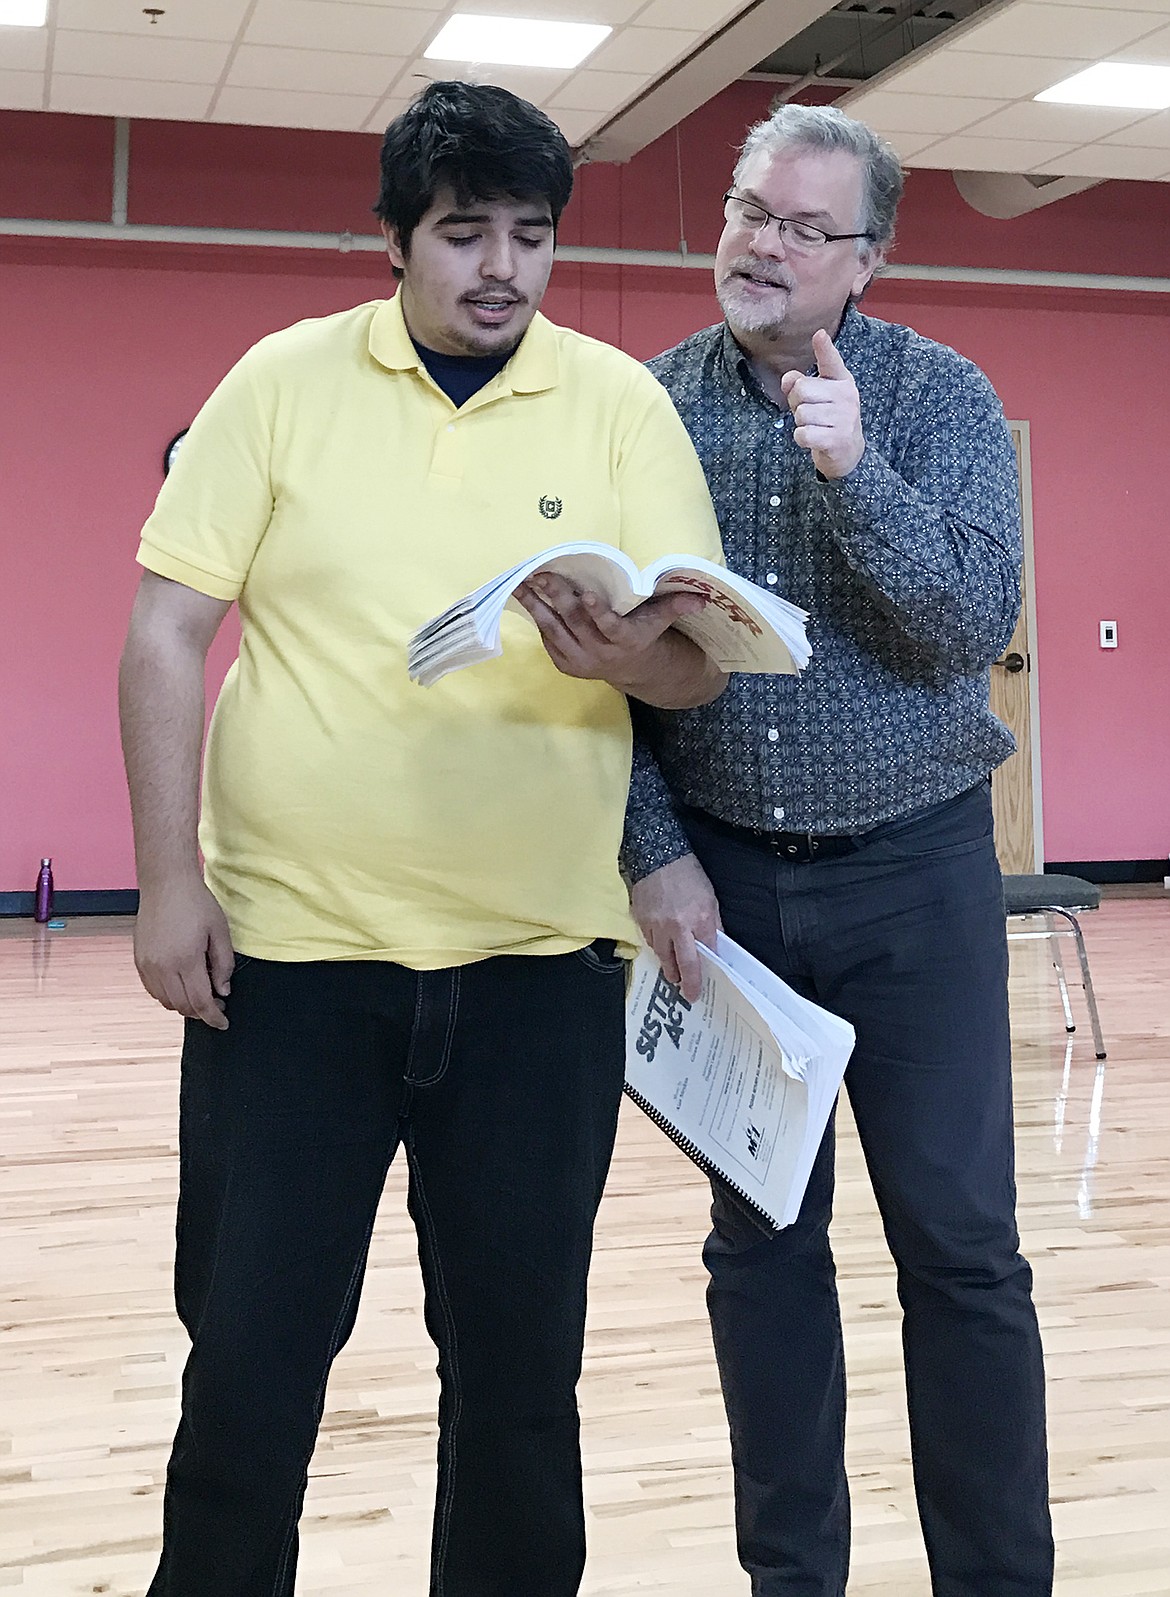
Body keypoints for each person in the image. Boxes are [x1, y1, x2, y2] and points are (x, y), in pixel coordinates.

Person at [119, 80, 727, 1597]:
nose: (500, 268)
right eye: (463, 233)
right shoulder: (281, 380)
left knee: (521, 1384)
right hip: (293, 970)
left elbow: (695, 660)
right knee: (251, 1364)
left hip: (540, 975)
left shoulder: (616, 402)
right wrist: (166, 880)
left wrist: (626, 661)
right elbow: (165, 630)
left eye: (529, 235)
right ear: (395, 240)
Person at [624, 103, 1053, 1596]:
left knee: (961, 1257)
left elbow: (967, 628)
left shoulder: (938, 397)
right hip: (723, 887)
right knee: (759, 1256)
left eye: (806, 227)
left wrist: (852, 470)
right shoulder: (645, 408)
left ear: (865, 259)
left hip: (916, 878)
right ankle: (788, 1579)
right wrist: (651, 850)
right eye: (751, 209)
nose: (763, 243)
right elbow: (599, 670)